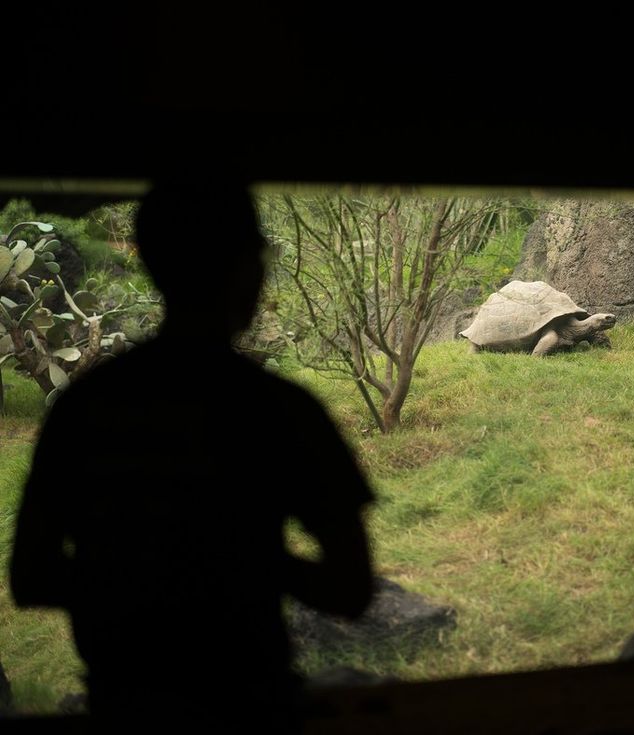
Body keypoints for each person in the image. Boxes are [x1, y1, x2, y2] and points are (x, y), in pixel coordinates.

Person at [9, 181, 374, 732]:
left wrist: (133, 574)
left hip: (124, 707)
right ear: (247, 269)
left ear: (155, 265)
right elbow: (351, 588)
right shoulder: (281, 410)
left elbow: (30, 576)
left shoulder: (85, 407)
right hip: (254, 705)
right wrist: (242, 561)